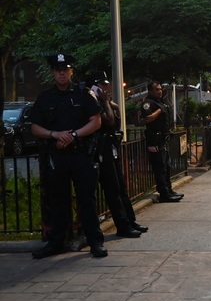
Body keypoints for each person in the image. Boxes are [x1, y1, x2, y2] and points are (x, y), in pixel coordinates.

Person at [30, 54, 108, 258]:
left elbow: (96, 121)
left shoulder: (84, 94)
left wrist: (73, 135)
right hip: (57, 156)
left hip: (81, 154)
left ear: (71, 71)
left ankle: (95, 242)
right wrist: (54, 134)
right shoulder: (45, 97)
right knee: (58, 200)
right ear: (52, 73)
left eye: (65, 69)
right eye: (58, 69)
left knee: (86, 199)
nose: (62, 73)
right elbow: (35, 128)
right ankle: (57, 242)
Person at [88, 71, 147, 237]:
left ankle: (130, 221)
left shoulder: (104, 102)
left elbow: (116, 122)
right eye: (102, 85)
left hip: (110, 146)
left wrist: (113, 106)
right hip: (101, 150)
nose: (105, 88)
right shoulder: (93, 102)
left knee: (120, 187)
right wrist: (106, 103)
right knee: (112, 189)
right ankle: (123, 225)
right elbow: (109, 120)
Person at [141, 81, 184, 202]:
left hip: (162, 140)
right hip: (155, 139)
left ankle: (169, 190)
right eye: (157, 90)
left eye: (160, 89)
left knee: (166, 166)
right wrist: (159, 111)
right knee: (160, 167)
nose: (160, 91)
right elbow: (148, 119)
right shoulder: (148, 104)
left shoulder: (159, 103)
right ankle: (164, 193)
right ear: (150, 91)